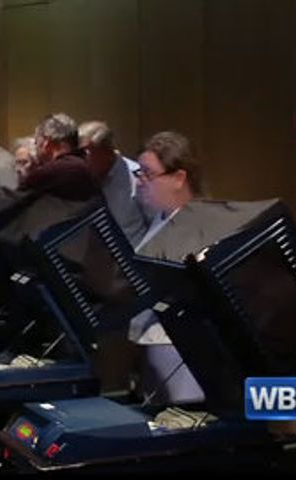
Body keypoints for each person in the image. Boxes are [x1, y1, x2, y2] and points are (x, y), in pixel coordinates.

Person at [127, 131, 206, 404]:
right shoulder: (161, 218)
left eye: (148, 174)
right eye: (139, 173)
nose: (140, 182)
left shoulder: (199, 225)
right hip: (153, 344)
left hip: (179, 353)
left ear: (178, 178)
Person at [78, 121, 150, 245]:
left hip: (134, 253)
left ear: (104, 150)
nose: (80, 159)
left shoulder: (137, 178)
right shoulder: (81, 179)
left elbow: (157, 227)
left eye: (85, 152)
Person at [19, 113, 98, 201]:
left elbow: (15, 201)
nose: (35, 147)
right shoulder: (91, 167)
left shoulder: (46, 174)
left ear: (46, 142)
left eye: (36, 142)